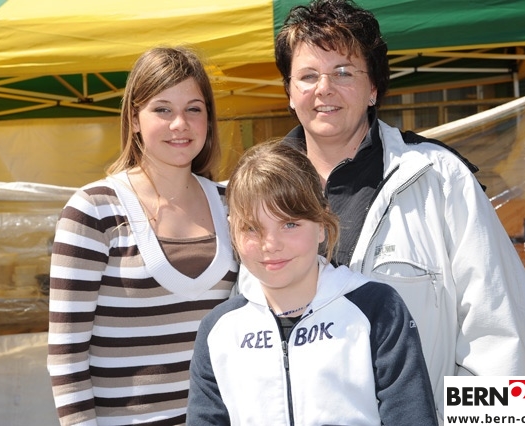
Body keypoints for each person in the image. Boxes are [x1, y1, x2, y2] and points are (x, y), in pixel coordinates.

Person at [274, 0, 525, 421]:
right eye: (308, 76)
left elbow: (505, 332)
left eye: (343, 72)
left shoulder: (440, 178)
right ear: (290, 93)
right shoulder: (255, 192)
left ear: (374, 88)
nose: (323, 89)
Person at [46, 46, 239, 425]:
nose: (180, 123)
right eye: (162, 109)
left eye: (194, 109)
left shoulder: (232, 204)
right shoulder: (94, 209)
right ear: (134, 119)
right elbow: (66, 355)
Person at [187, 141, 438, 426]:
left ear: (321, 224)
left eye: (289, 224)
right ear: (232, 232)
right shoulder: (218, 330)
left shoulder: (377, 309)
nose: (271, 244)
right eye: (252, 228)